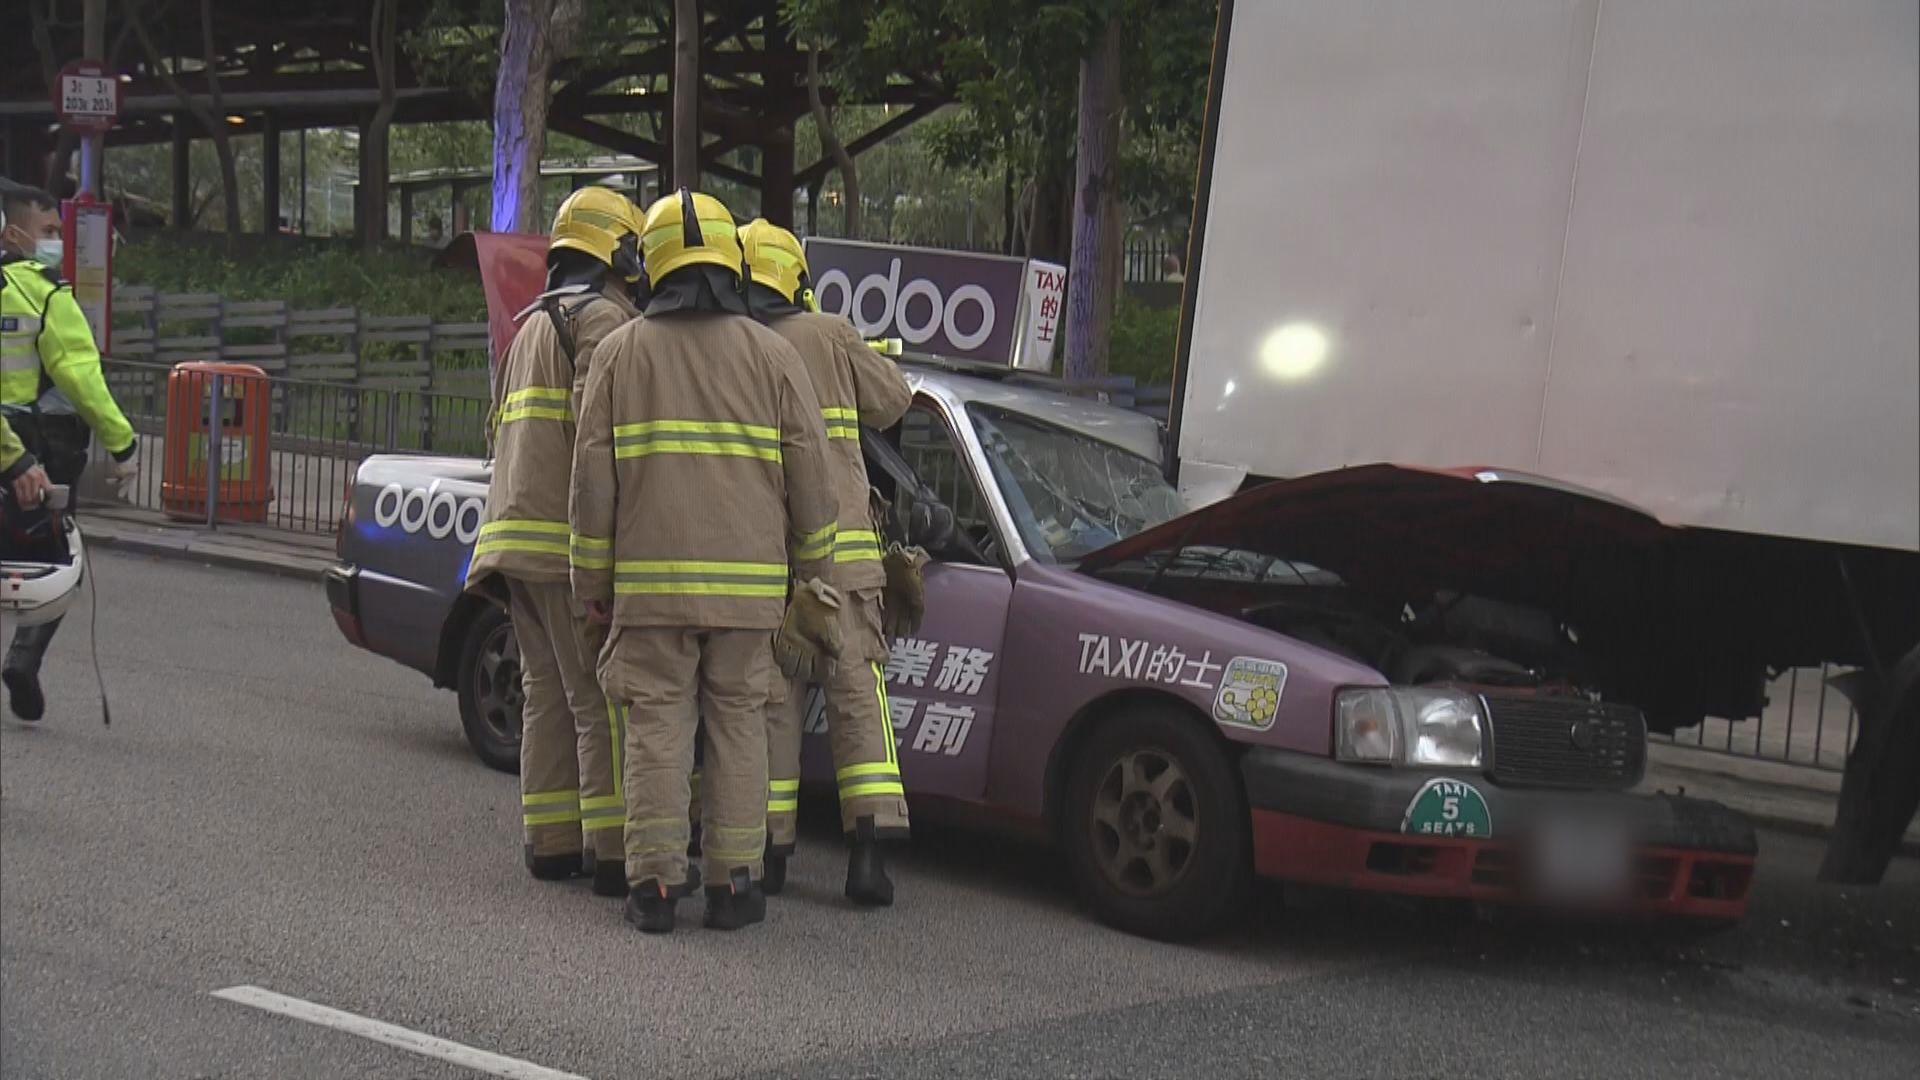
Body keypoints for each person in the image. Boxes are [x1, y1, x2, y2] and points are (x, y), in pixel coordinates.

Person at [571, 188, 840, 933]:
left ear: (650, 266)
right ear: (732, 262)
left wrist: (590, 585)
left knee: (657, 731)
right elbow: (812, 479)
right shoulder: (775, 355)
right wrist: (813, 576)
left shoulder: (621, 354)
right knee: (739, 729)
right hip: (751, 598)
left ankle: (654, 888)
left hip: (649, 594)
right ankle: (735, 886)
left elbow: (591, 482)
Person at [465, 186, 646, 898]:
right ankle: (609, 850)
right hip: (563, 546)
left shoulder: (529, 327)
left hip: (510, 544)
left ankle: (550, 842)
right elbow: (602, 445)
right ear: (621, 253)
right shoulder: (602, 321)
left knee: (545, 694)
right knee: (599, 699)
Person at [738, 219, 917, 905]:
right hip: (844, 550)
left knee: (774, 702)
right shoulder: (830, 333)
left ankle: (771, 854)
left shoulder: (737, 344)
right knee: (855, 698)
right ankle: (867, 859)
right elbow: (895, 398)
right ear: (797, 279)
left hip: (770, 554)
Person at [2, 182, 137, 722]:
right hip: (29, 451)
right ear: (15, 234)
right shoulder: (46, 292)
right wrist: (122, 442)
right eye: (50, 232)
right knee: (58, 558)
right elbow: (81, 375)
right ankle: (24, 659)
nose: (57, 242)